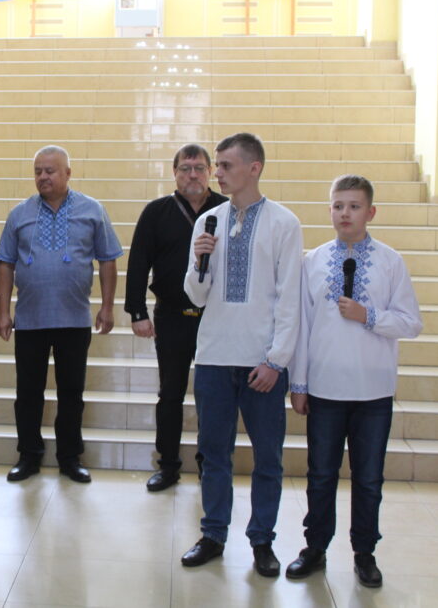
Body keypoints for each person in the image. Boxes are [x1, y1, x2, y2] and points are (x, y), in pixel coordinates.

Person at [285, 175, 422, 588]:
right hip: (325, 388)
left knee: (368, 478)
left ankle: (365, 553)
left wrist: (370, 316)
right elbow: (302, 327)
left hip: (373, 391)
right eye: (338, 206)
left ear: (371, 212)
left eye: (354, 206)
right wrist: (299, 384)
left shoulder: (390, 262)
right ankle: (315, 547)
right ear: (329, 210)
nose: (345, 213)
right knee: (320, 475)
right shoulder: (312, 261)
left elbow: (411, 322)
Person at [179, 132, 302, 578]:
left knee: (268, 458)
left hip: (261, 363)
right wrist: (200, 260)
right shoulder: (207, 221)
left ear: (254, 168)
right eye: (217, 165)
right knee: (214, 453)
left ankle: (262, 540)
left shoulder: (284, 224)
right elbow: (195, 295)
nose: (217, 173)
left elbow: (290, 300)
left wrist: (276, 360)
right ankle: (213, 534)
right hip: (214, 356)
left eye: (226, 165)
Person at [0, 145, 123, 484]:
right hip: (30, 320)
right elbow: (5, 263)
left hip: (74, 319)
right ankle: (29, 455)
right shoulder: (20, 213)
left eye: (50, 171)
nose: (43, 177)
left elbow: (108, 260)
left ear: (68, 173)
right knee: (28, 393)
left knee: (71, 393)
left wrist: (107, 306)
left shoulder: (92, 210)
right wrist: (4, 312)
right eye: (38, 171)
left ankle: (69, 457)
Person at [125, 144, 227, 492]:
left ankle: (209, 465)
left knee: (213, 395)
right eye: (185, 168)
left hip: (216, 318)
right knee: (170, 393)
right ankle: (168, 465)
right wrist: (138, 312)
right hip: (171, 315)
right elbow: (138, 262)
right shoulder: (157, 212)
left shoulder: (226, 210)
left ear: (210, 172)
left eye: (199, 168)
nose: (192, 175)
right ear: (175, 173)